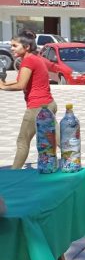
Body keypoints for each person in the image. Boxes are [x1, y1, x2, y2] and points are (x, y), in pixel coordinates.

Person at [0, 30, 57, 169]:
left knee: (22, 141)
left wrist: (3, 87)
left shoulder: (28, 62)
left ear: (26, 47)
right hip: (49, 104)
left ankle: (13, 174)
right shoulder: (35, 58)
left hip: (37, 108)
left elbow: (21, 85)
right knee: (56, 138)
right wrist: (4, 83)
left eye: (15, 46)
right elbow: (22, 81)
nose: (11, 48)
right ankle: (72, 162)